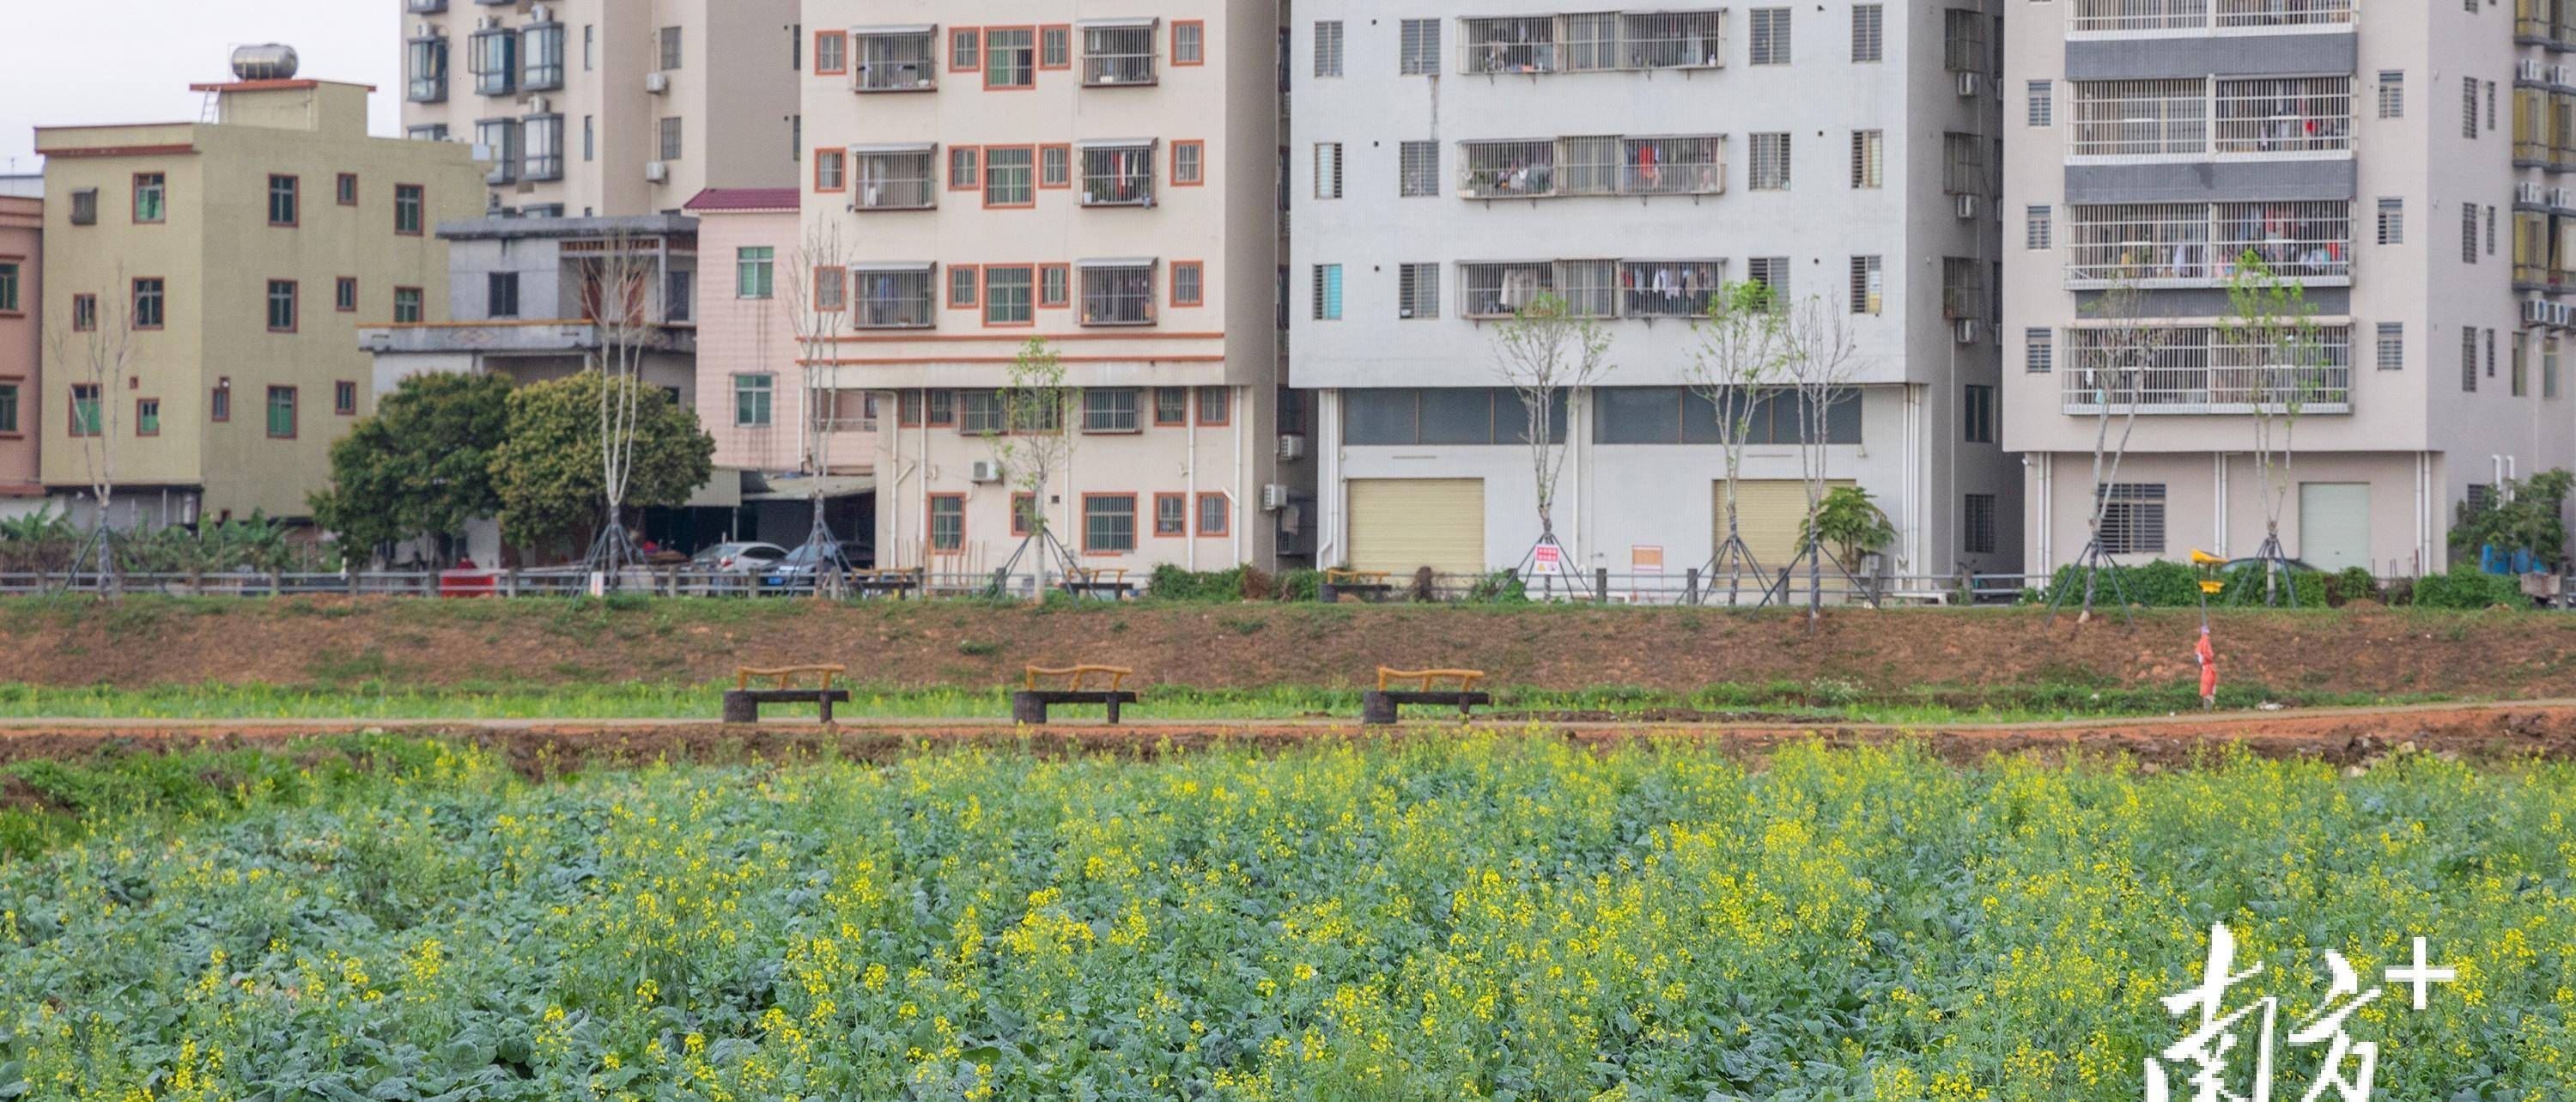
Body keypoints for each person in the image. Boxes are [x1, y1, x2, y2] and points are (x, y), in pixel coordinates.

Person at [2195, 626, 2218, 710]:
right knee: (2208, 685)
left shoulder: (2204, 641)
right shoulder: (2204, 641)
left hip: (2207, 667)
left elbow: (2204, 654)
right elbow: (2203, 654)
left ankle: (2211, 697)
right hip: (2207, 666)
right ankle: (2210, 697)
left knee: (2208, 685)